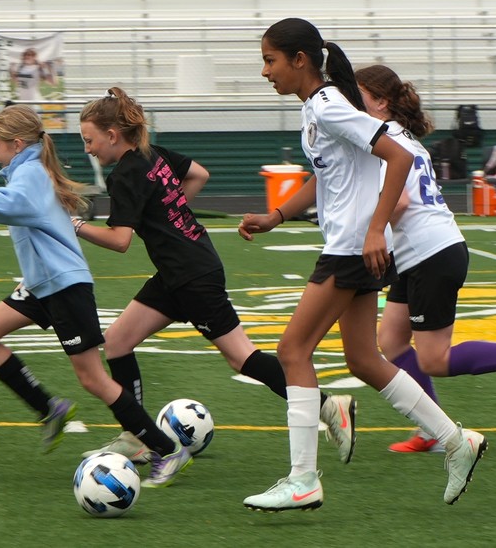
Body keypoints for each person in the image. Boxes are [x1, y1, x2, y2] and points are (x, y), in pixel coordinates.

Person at [238, 18, 486, 512]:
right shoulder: (319, 108)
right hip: (356, 247)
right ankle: (456, 440)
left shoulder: (328, 105)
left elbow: (396, 157)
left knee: (292, 351)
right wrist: (278, 215)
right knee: (365, 360)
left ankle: (303, 479)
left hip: (353, 249)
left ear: (299, 60)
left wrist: (375, 229)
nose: (265, 72)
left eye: (270, 61)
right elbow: (325, 174)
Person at [75, 87, 358, 466]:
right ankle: (136, 436)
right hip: (180, 270)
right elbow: (198, 175)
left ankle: (328, 407)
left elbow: (120, 240)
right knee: (117, 342)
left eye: (89, 140)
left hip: (192, 275)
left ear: (112, 135)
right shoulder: (152, 154)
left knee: (242, 358)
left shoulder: (125, 174)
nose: (88, 150)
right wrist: (170, 210)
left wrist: (74, 225)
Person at [0, 104, 191, 487]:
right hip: (39, 285)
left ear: (17, 144)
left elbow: (5, 206)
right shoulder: (27, 169)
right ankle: (50, 409)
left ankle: (165, 449)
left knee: (93, 379)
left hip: (64, 286)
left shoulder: (30, 173)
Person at [354, 64, 496, 454]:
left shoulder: (381, 136)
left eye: (359, 94)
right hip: (420, 251)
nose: (351, 102)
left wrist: (369, 232)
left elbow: (399, 202)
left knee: (434, 358)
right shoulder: (399, 136)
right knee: (391, 339)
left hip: (429, 253)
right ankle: (433, 428)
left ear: (381, 102)